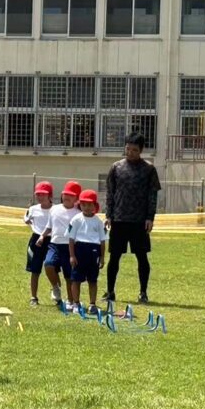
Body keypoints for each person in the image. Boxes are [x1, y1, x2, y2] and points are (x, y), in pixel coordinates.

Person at [104, 133, 162, 304]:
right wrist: (109, 215)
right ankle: (110, 291)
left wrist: (150, 218)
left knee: (142, 257)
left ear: (141, 150)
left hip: (139, 221)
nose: (130, 152)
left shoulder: (149, 169)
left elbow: (152, 195)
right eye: (128, 149)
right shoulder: (116, 167)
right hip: (119, 219)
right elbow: (110, 193)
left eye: (134, 150)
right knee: (114, 257)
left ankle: (143, 292)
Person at [41, 180, 82, 309]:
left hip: (70, 247)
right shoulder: (54, 209)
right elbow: (49, 226)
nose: (67, 197)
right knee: (48, 264)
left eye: (71, 195)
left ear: (76, 198)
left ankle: (71, 301)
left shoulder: (78, 213)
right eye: (65, 194)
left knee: (69, 276)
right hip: (54, 244)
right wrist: (42, 236)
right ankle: (55, 287)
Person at [67, 189, 108, 314]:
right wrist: (72, 255)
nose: (87, 207)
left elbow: (102, 241)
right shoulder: (76, 219)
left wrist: (101, 257)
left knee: (92, 279)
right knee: (76, 279)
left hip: (93, 251)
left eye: (90, 204)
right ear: (80, 205)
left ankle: (92, 304)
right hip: (79, 250)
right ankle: (76, 303)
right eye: (84, 204)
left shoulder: (98, 222)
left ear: (94, 205)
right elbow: (71, 239)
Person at [23, 181, 54, 306]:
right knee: (34, 270)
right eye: (38, 194)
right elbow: (26, 218)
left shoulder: (56, 209)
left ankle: (55, 290)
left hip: (51, 240)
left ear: (49, 195)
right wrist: (29, 222)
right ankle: (33, 297)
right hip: (36, 240)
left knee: (52, 267)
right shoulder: (33, 209)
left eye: (43, 194)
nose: (40, 197)